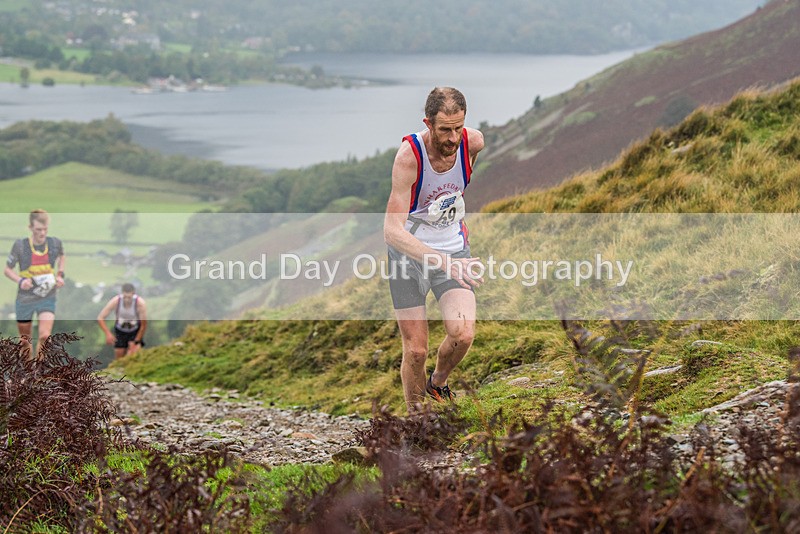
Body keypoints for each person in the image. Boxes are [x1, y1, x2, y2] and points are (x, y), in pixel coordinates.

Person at [383, 87, 485, 413]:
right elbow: (391, 230)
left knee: (463, 334)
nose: (453, 137)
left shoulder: (474, 143)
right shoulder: (409, 157)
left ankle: (438, 383)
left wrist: (450, 258)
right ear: (428, 123)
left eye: (459, 127)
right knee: (415, 350)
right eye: (444, 129)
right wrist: (441, 261)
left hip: (454, 250)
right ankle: (417, 419)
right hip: (408, 258)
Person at [3, 209, 66, 359]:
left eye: (45, 229)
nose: (42, 233)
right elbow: (7, 270)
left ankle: (39, 372)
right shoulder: (20, 246)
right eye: (38, 229)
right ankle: (27, 374)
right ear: (30, 228)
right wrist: (21, 280)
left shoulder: (54, 243)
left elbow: (62, 256)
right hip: (25, 298)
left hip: (47, 296)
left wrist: (60, 275)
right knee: (25, 341)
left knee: (45, 336)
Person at [97, 283, 147, 359]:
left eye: (129, 297)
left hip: (135, 331)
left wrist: (136, 341)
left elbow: (143, 325)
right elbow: (100, 317)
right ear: (122, 294)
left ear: (133, 294)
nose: (127, 299)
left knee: (133, 354)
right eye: (125, 297)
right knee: (119, 355)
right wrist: (108, 334)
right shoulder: (115, 301)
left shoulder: (140, 303)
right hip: (120, 330)